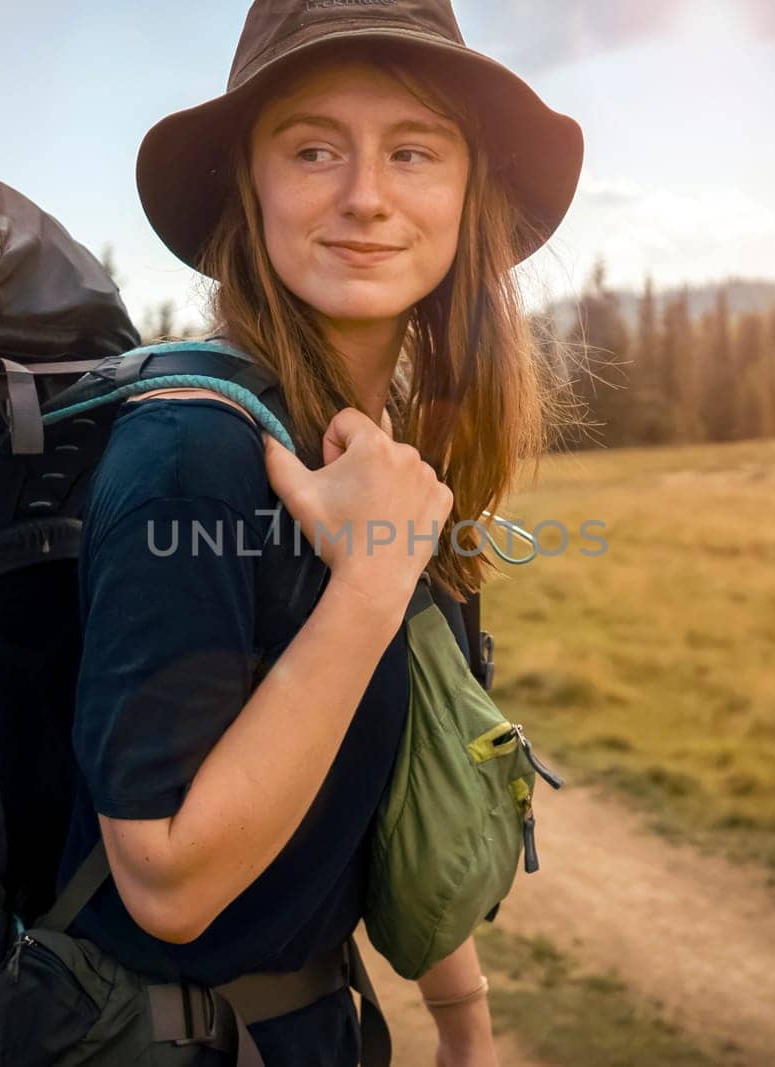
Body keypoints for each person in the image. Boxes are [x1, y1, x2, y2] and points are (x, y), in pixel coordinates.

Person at [53, 1, 583, 1064]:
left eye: (413, 150)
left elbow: (392, 739)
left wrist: (462, 1013)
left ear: (468, 188)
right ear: (249, 187)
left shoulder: (376, 454)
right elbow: (165, 879)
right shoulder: (189, 459)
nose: (365, 196)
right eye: (312, 149)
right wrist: (371, 581)